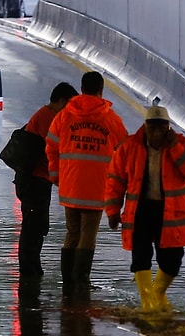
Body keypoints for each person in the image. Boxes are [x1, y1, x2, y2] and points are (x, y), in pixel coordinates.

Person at [105, 105, 185, 312]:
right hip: (140, 211)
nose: (157, 132)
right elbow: (115, 181)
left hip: (170, 214)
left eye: (161, 128)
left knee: (172, 260)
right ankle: (148, 302)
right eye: (152, 127)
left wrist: (176, 148)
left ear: (168, 127)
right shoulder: (129, 147)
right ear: (145, 126)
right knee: (140, 256)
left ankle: (158, 294)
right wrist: (113, 211)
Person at [46, 71, 128, 291]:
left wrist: (55, 174)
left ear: (81, 88)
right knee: (87, 235)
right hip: (96, 187)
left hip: (70, 184)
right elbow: (125, 154)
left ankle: (68, 281)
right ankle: (81, 279)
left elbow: (51, 146)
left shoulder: (65, 116)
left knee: (72, 232)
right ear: (101, 90)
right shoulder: (111, 119)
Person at [16, 82, 78, 278]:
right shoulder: (48, 117)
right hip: (34, 180)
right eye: (70, 104)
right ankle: (30, 270)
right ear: (61, 101)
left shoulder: (48, 116)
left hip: (38, 179)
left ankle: (33, 267)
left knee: (37, 225)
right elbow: (58, 146)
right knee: (34, 226)